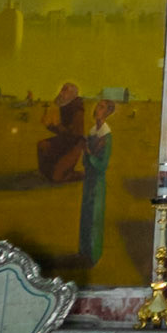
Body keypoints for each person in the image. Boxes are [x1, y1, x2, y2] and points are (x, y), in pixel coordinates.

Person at [78, 97, 114, 269]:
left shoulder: (107, 135)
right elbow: (85, 160)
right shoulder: (92, 132)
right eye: (97, 106)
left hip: (98, 183)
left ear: (107, 113)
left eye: (101, 107)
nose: (97, 109)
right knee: (85, 215)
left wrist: (89, 154)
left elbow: (103, 165)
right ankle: (83, 252)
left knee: (95, 218)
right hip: (88, 180)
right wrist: (86, 154)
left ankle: (93, 255)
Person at [37, 80, 84, 183]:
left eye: (64, 91)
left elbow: (75, 135)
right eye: (62, 90)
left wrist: (56, 126)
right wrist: (50, 126)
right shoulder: (65, 105)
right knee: (42, 145)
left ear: (72, 94)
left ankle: (78, 174)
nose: (61, 93)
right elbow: (63, 132)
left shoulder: (77, 109)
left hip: (74, 145)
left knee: (57, 177)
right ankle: (49, 172)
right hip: (65, 141)